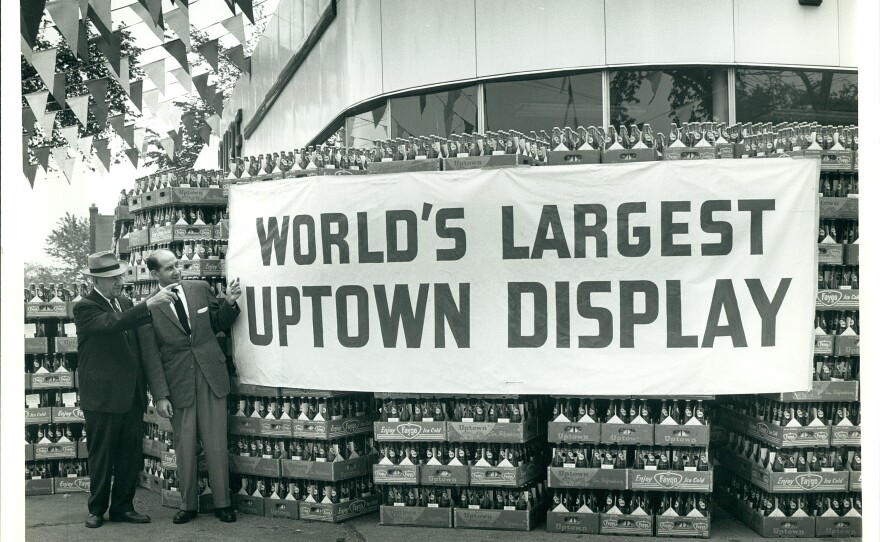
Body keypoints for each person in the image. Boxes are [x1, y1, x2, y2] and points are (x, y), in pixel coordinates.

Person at [73, 251, 177, 528]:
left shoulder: (124, 301)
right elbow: (112, 324)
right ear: (96, 279)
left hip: (130, 395)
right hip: (102, 398)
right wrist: (149, 304)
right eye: (113, 277)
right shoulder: (85, 306)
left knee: (129, 456)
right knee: (102, 456)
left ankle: (123, 507)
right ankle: (96, 509)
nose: (120, 280)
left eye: (119, 275)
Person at [138, 249, 242, 524]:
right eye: (169, 268)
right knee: (184, 447)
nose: (176, 271)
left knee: (216, 442)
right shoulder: (148, 306)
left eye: (177, 265)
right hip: (178, 382)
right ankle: (188, 505)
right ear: (154, 274)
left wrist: (230, 302)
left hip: (211, 375)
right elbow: (151, 356)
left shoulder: (199, 288)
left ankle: (223, 503)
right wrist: (160, 395)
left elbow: (219, 323)